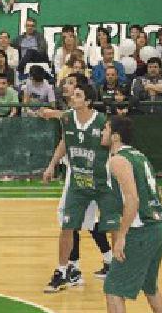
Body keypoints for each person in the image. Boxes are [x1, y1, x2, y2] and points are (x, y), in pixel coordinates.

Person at [89, 116, 162, 313]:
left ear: (115, 136)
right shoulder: (138, 155)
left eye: (105, 129)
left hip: (143, 231)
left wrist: (122, 236)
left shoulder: (118, 160)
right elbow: (157, 192)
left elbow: (133, 200)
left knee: (113, 289)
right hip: (160, 225)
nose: (102, 133)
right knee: (149, 284)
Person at [38, 84, 121, 293]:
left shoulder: (102, 122)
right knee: (67, 226)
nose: (72, 98)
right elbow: (65, 141)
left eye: (77, 95)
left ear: (88, 101)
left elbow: (116, 147)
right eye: (73, 94)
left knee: (112, 227)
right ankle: (62, 271)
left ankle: (118, 267)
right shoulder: (68, 118)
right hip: (78, 183)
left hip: (103, 183)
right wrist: (51, 165)